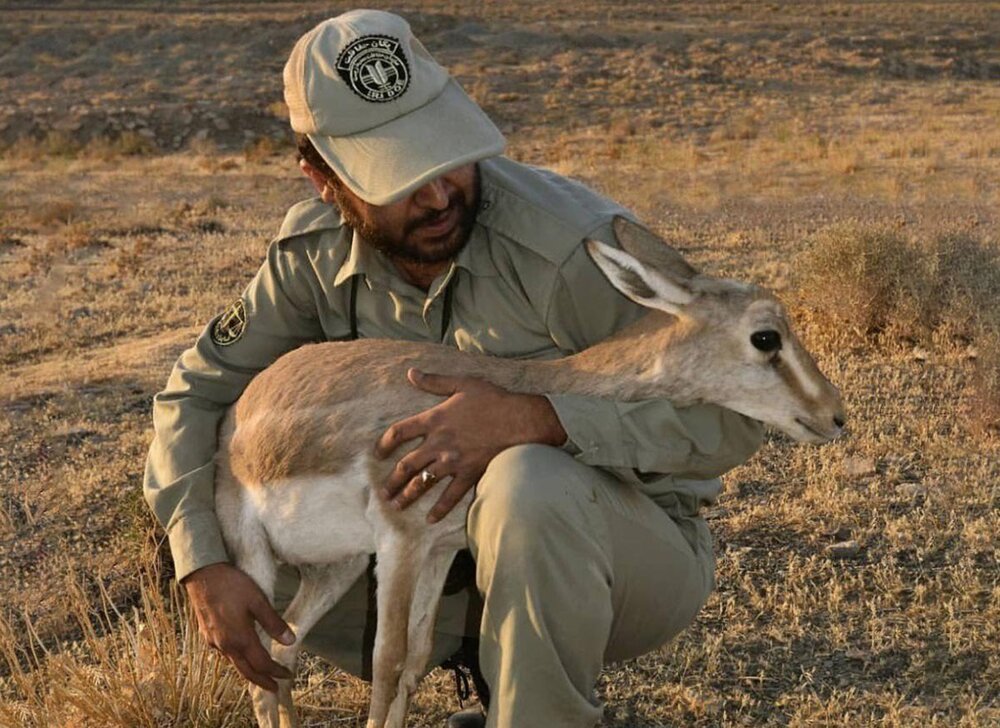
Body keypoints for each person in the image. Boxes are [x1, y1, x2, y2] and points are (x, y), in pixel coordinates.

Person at [143, 9, 762, 728]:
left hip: (622, 552)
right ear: (321, 179)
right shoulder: (309, 258)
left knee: (527, 481)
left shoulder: (567, 251)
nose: (438, 196)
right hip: (427, 556)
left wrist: (546, 420)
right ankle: (492, 670)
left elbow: (733, 417)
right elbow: (193, 395)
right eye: (398, 177)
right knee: (220, 510)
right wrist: (201, 563)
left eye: (445, 156)